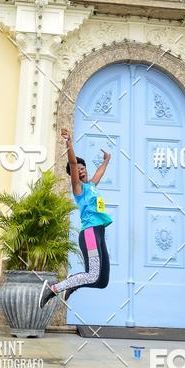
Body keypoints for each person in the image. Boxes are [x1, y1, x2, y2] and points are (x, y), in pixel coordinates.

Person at [39, 128, 112, 309]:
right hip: (89, 233)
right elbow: (72, 163)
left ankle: (73, 282)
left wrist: (107, 160)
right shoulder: (78, 190)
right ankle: (54, 287)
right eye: (77, 170)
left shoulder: (92, 185)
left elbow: (99, 173)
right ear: (73, 175)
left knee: (102, 281)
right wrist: (69, 143)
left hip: (99, 233)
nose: (80, 170)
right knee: (93, 274)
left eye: (83, 168)